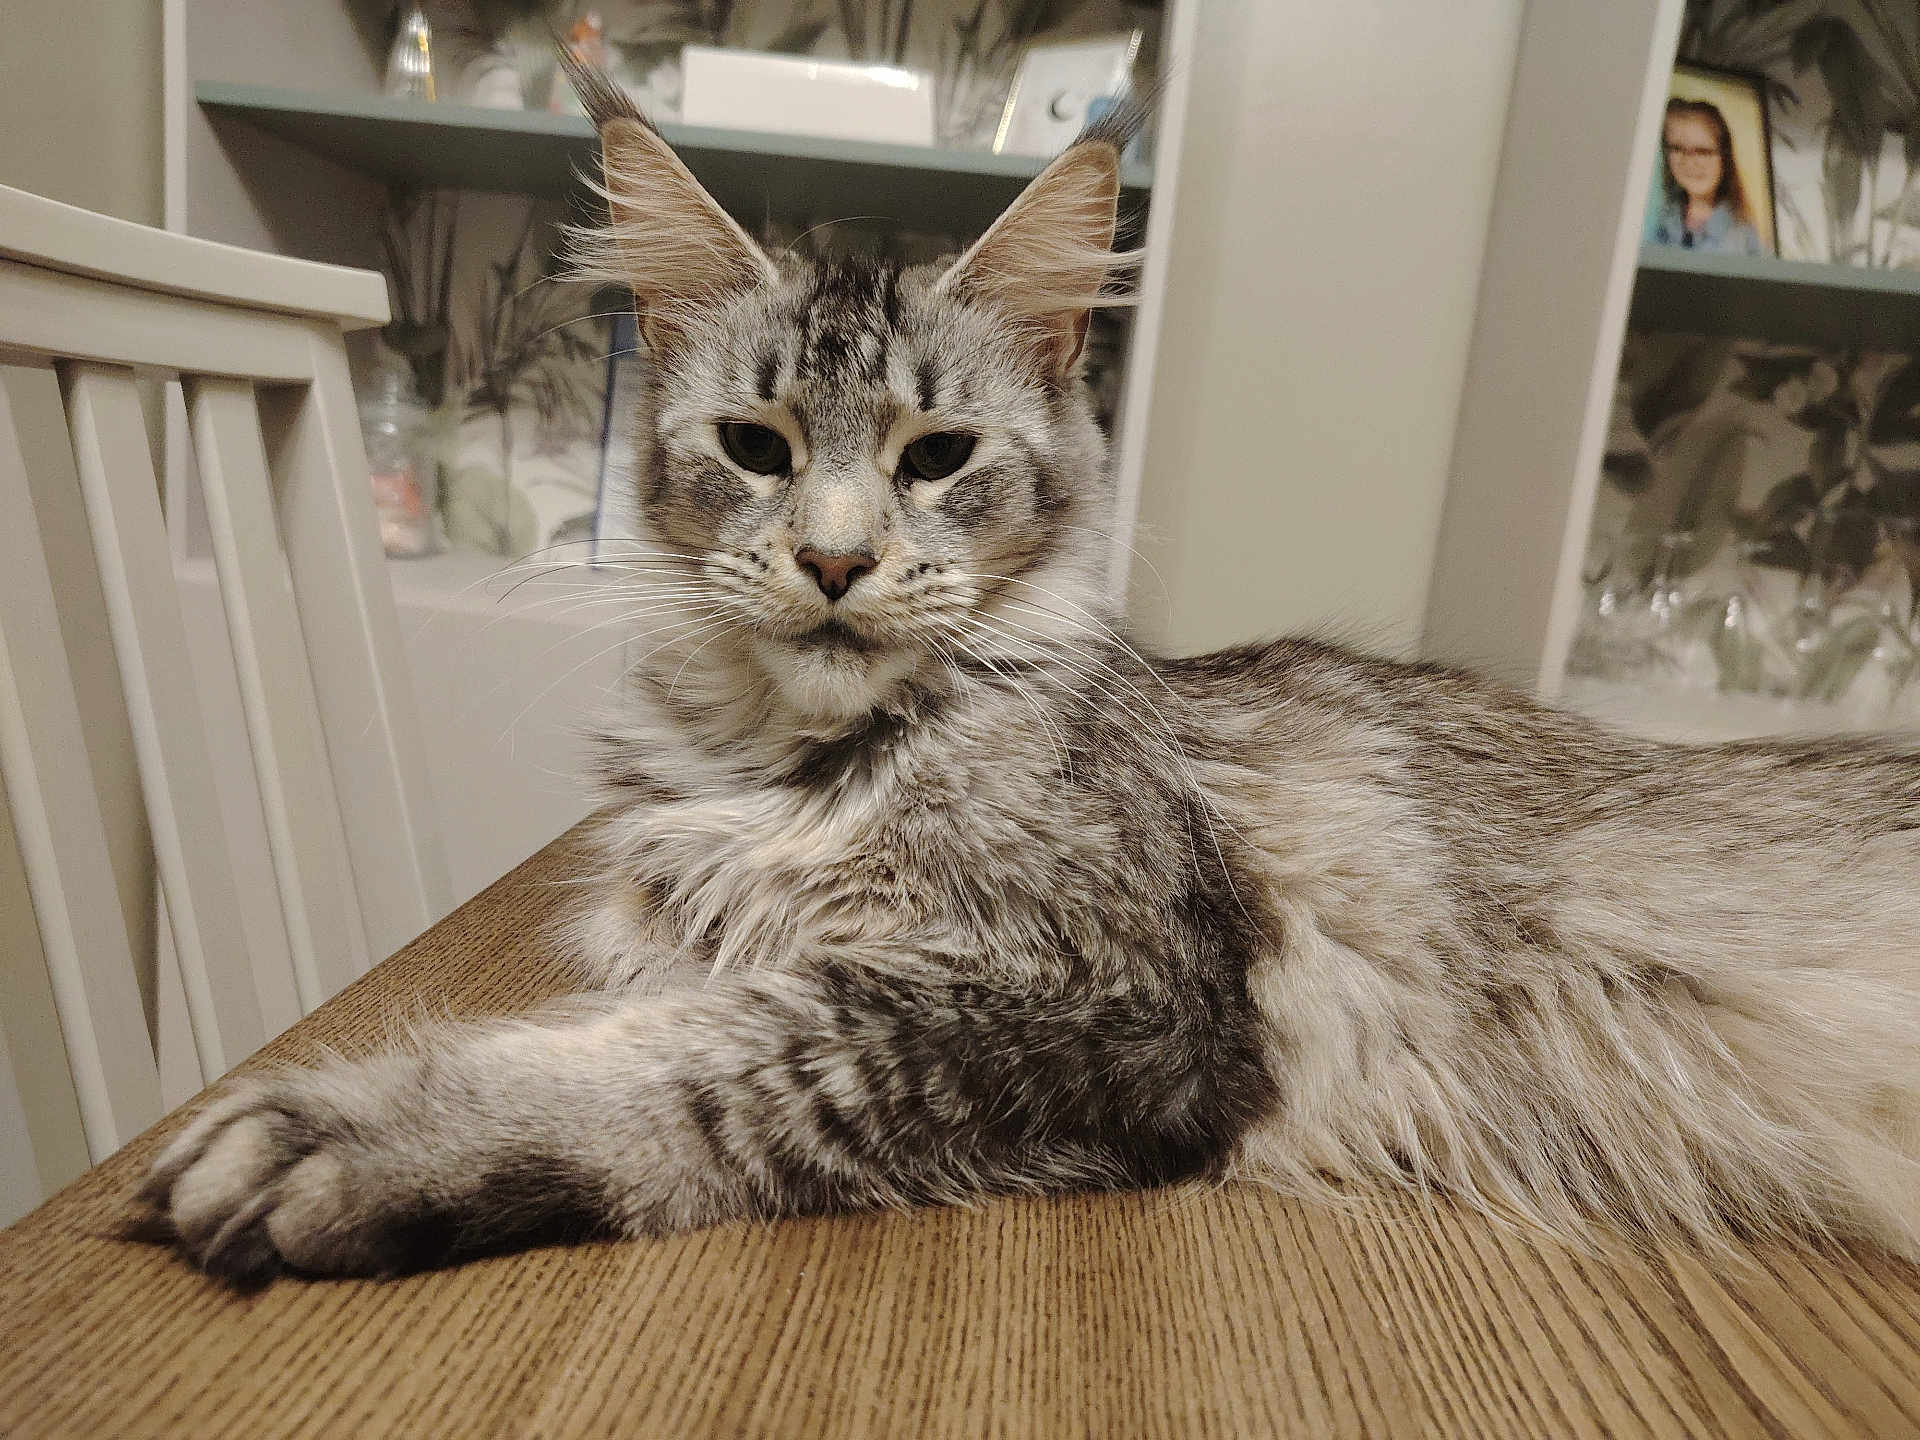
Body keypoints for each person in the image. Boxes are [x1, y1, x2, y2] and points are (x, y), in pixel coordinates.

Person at [1651, 97, 1764, 255]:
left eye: (1703, 151)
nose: (1690, 162)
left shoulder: (1741, 235)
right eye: (1677, 149)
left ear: (1724, 158)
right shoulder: (1660, 220)